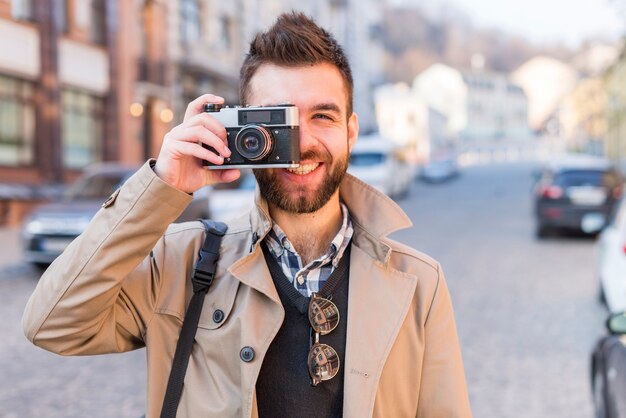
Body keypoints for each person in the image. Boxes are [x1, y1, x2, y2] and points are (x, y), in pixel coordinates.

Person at [22, 12, 472, 418]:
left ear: (350, 131)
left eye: (322, 116)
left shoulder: (419, 285)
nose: (301, 143)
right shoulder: (184, 263)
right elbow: (53, 324)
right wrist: (161, 185)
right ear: (244, 130)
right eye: (280, 119)